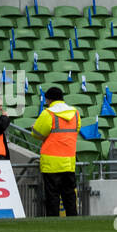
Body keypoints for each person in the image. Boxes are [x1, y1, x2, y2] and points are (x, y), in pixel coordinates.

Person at [31, 87, 80, 217]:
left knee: (52, 196)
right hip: (69, 162)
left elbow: (38, 133)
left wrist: (33, 128)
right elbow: (77, 129)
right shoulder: (75, 113)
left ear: (49, 99)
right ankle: (73, 222)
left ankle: (53, 222)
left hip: (51, 163)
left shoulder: (48, 113)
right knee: (69, 195)